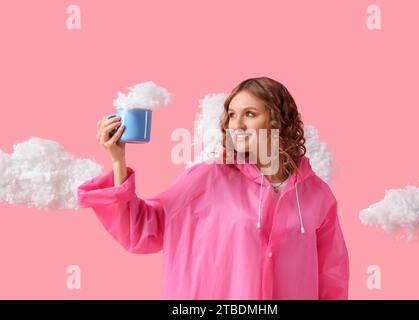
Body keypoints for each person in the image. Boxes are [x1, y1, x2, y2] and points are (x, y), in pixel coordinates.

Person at [77, 76, 349, 299]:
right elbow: (141, 229)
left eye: (250, 114)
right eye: (232, 115)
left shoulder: (317, 195)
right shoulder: (206, 178)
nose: (237, 125)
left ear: (277, 121)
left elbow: (331, 278)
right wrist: (118, 160)